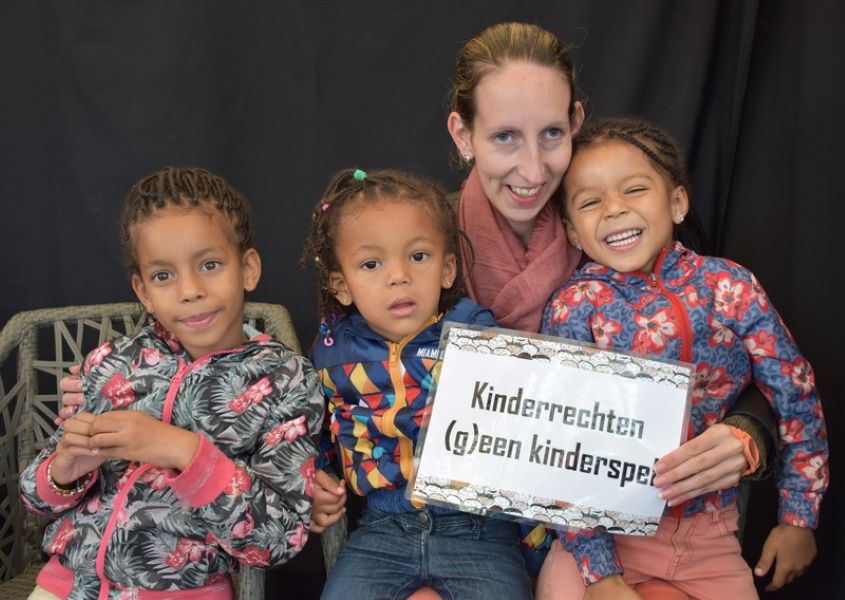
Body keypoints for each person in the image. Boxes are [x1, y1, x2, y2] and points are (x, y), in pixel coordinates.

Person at [443, 21, 780, 580]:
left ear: (576, 121)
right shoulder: (424, 249)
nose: (533, 169)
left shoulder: (623, 222)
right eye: (504, 137)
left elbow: (725, 347)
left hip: (628, 540)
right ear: (463, 134)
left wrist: (751, 429)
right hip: (468, 535)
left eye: (552, 133)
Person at [536, 116, 828, 599]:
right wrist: (599, 571)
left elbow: (794, 391)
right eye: (590, 202)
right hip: (604, 540)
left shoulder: (729, 286)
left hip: (711, 539)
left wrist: (798, 517)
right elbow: (560, 441)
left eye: (634, 189)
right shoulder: (573, 308)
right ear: (571, 230)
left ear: (677, 202)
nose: (614, 209)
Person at [20, 167, 324, 599]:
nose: (190, 290)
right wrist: (64, 471)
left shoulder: (286, 381)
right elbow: (35, 501)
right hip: (65, 585)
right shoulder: (111, 363)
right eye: (164, 275)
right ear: (143, 291)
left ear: (248, 268)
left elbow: (277, 540)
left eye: (210, 265)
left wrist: (181, 450)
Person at [303, 167, 533, 600]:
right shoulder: (333, 352)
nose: (398, 275)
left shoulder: (477, 336)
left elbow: (526, 422)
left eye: (419, 256)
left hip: (478, 530)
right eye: (371, 264)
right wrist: (314, 474)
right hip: (382, 529)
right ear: (342, 286)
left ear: (447, 270)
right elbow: (320, 430)